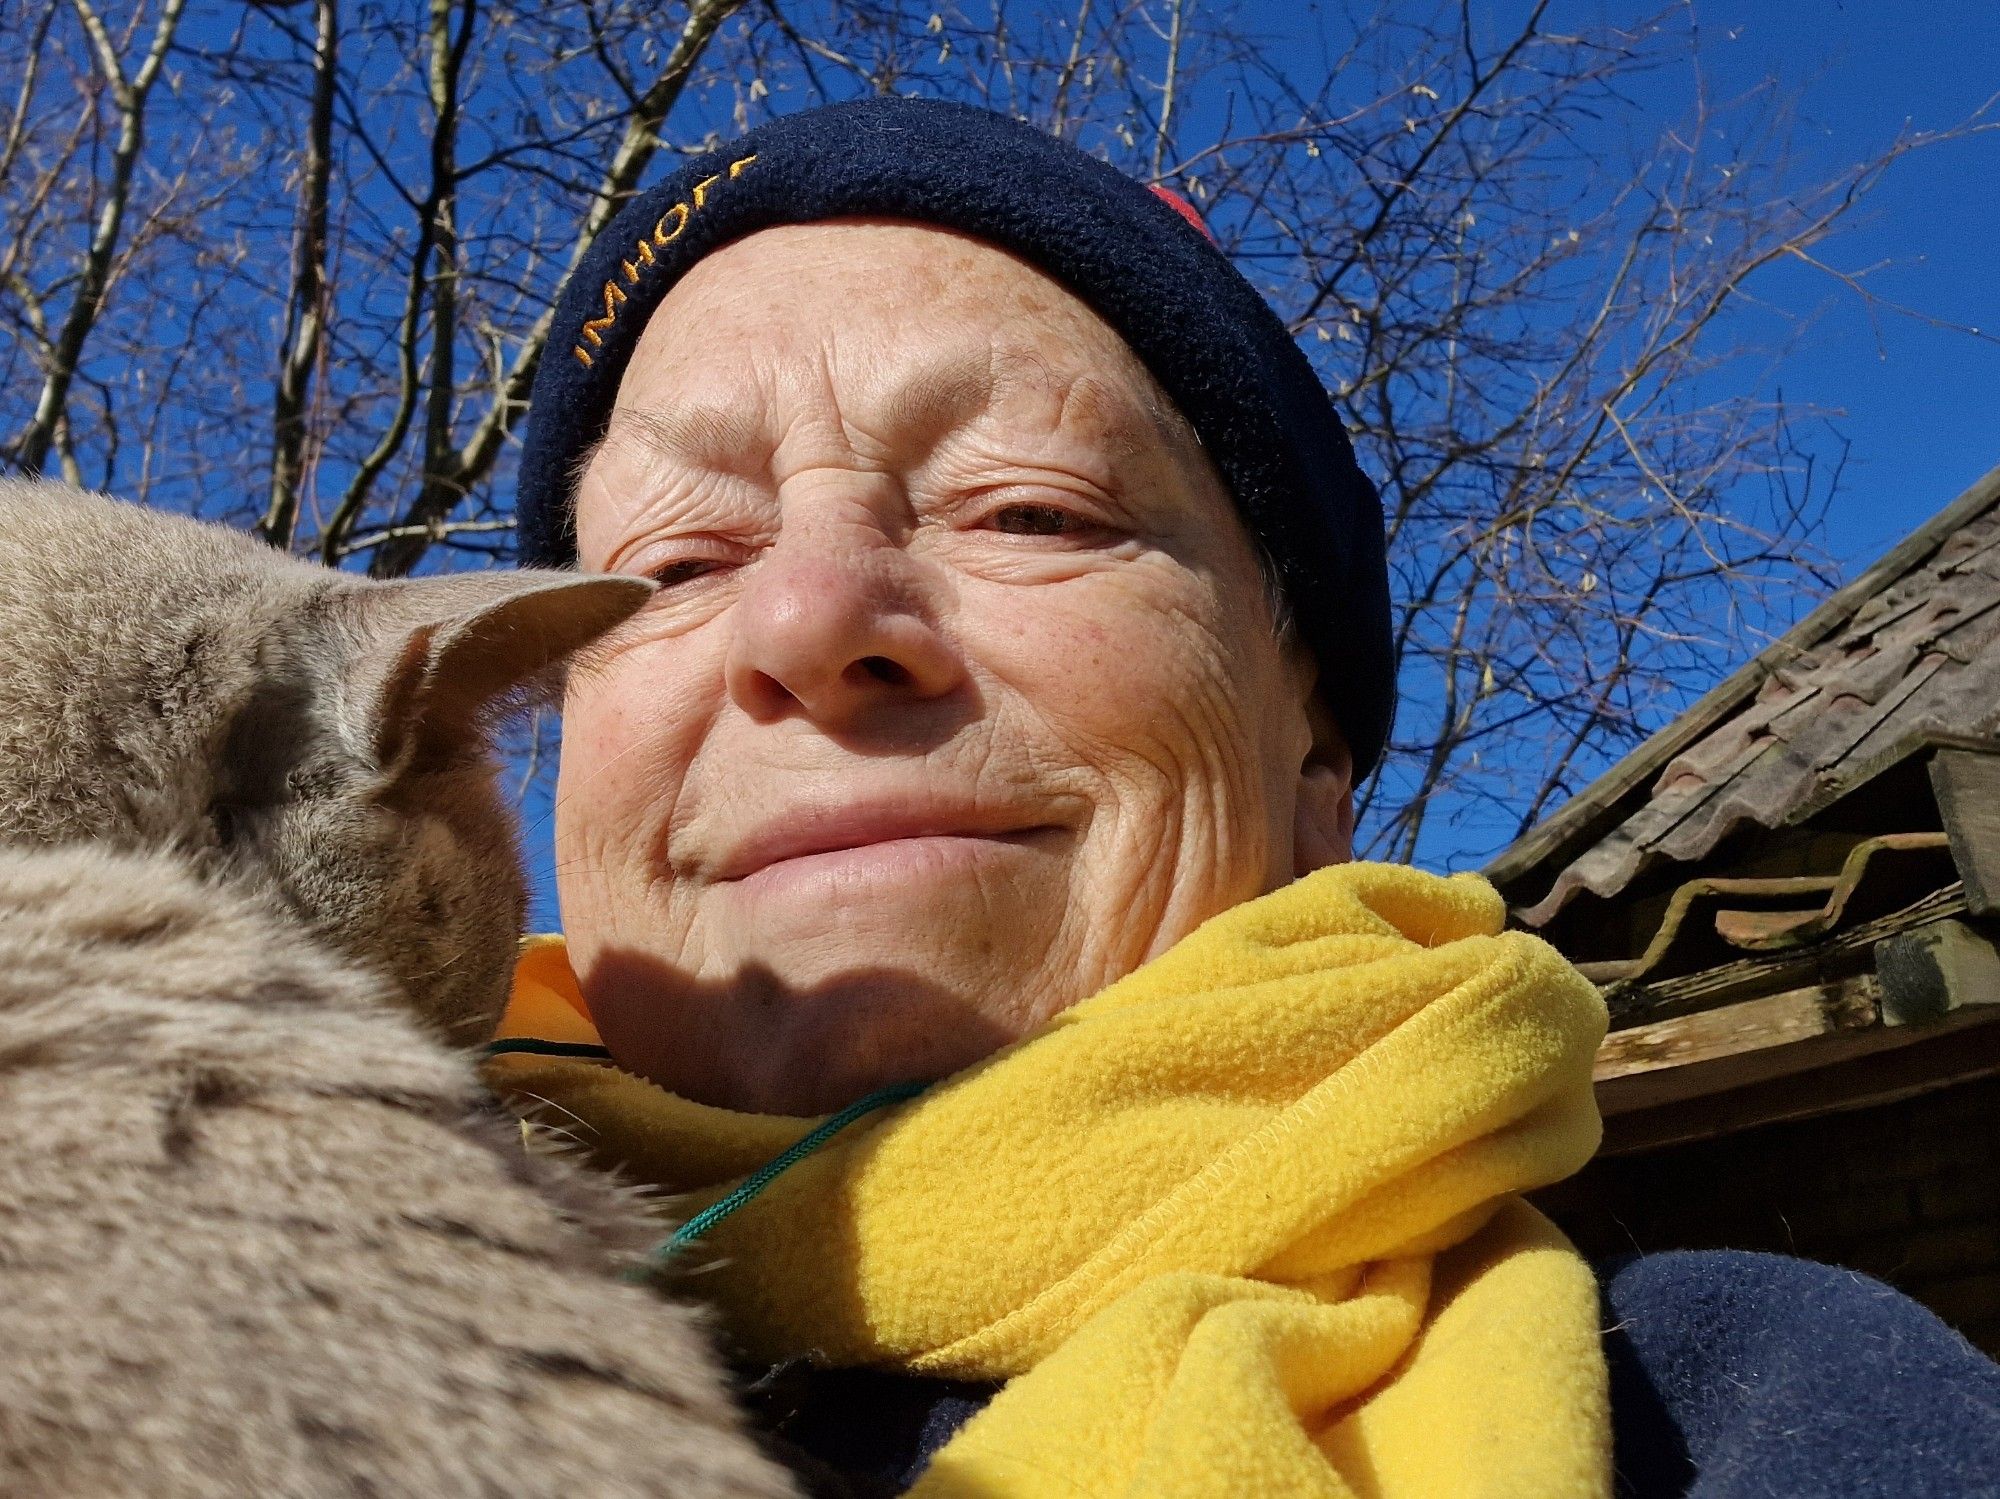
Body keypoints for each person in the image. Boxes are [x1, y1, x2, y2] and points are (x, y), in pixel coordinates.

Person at [485, 97, 2000, 1498]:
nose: (811, 621)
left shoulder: (1757, 1422)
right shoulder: (257, 1321)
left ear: (1316, 767)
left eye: (1032, 507)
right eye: (671, 565)